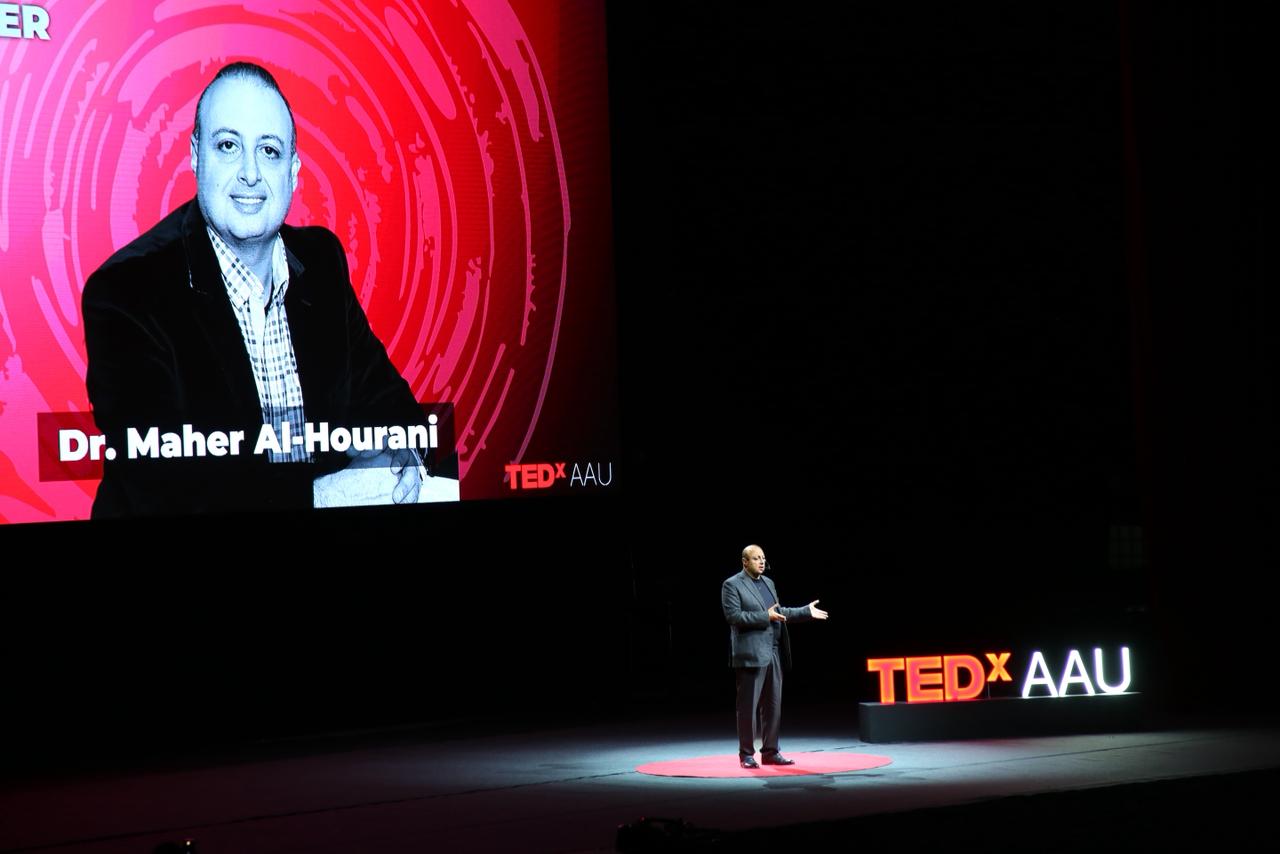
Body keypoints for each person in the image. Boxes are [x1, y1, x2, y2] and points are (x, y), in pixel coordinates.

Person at [83, 62, 425, 517]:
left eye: (269, 150)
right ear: (196, 156)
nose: (250, 173)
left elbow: (392, 406)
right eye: (228, 146)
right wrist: (324, 497)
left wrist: (401, 455)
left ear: (293, 171)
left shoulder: (321, 263)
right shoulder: (127, 293)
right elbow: (163, 493)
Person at [721, 545, 828, 768]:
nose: (761, 561)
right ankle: (746, 755)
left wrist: (805, 611)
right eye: (756, 558)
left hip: (774, 651)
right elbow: (734, 617)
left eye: (763, 558)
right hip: (751, 654)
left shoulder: (768, 583)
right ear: (745, 561)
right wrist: (765, 616)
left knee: (773, 705)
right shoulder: (732, 584)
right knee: (748, 707)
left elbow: (779, 612)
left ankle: (770, 751)